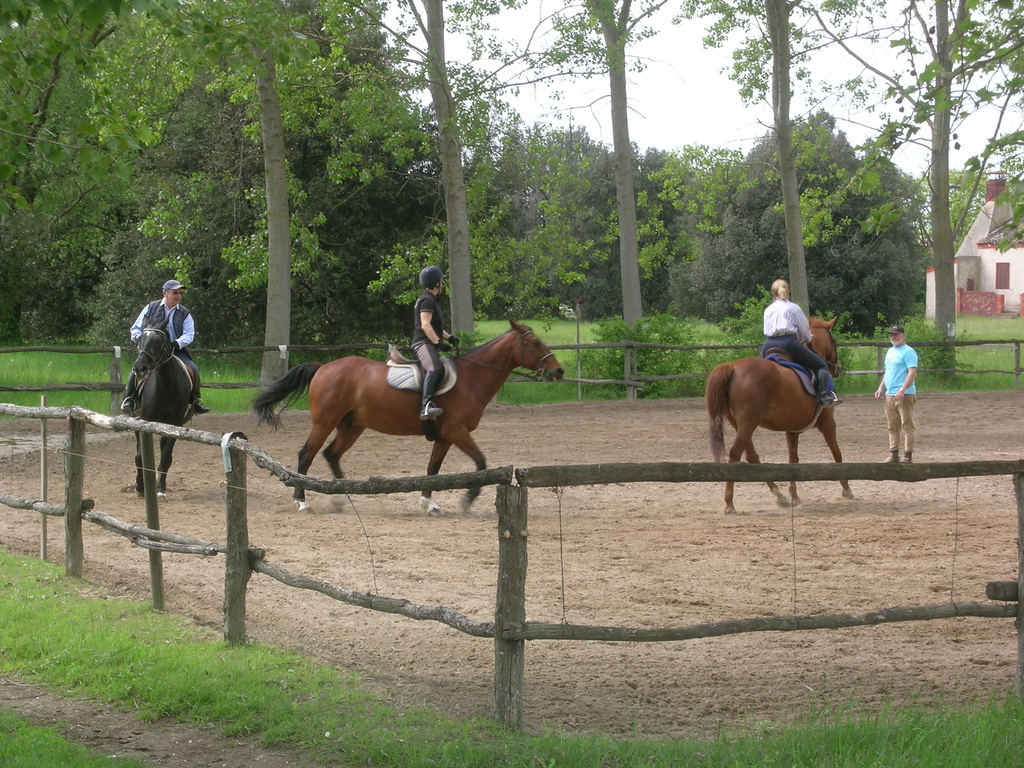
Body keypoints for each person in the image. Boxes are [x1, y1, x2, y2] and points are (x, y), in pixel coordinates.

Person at [121, 279, 211, 415]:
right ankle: (130, 399)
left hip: (176, 350)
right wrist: (141, 340)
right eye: (175, 292)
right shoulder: (151, 307)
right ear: (165, 293)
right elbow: (136, 328)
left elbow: (189, 334)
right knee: (137, 368)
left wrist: (176, 343)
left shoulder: (184, 313)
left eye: (180, 293)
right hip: (153, 350)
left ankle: (194, 401)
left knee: (193, 368)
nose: (178, 296)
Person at [760, 278, 841, 406]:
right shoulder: (794, 308)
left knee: (759, 371)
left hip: (768, 344)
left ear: (773, 294)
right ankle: (824, 396)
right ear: (789, 292)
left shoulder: (768, 310)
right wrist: (808, 340)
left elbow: (766, 330)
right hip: (788, 343)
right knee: (821, 365)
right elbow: (804, 330)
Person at [412, 266, 458, 420]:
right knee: (434, 367)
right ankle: (425, 406)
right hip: (422, 343)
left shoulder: (432, 300)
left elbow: (435, 327)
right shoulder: (426, 300)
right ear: (436, 283)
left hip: (429, 341)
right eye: (441, 281)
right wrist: (438, 343)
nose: (442, 284)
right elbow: (425, 325)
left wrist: (449, 337)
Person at [874, 325, 918, 463]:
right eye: (891, 334)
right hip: (890, 394)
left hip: (905, 395)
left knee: (907, 425)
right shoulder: (890, 352)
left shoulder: (909, 352)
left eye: (896, 334)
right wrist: (881, 387)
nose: (893, 337)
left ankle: (908, 455)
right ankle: (893, 454)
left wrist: (902, 390)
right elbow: (889, 371)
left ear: (903, 335)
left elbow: (912, 372)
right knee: (892, 426)